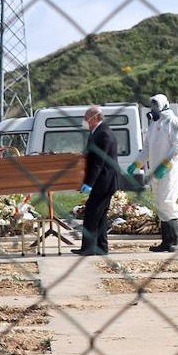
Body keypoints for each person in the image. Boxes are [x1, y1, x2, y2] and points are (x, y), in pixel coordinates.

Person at [132, 94, 178, 253]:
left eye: (156, 105)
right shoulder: (154, 125)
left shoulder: (175, 122)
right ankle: (166, 240)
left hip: (171, 169)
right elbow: (147, 147)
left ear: (164, 105)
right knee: (159, 203)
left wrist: (165, 164)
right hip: (155, 170)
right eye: (152, 105)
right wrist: (137, 162)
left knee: (167, 201)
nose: (153, 108)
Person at [76, 105, 119, 256]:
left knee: (92, 214)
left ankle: (89, 248)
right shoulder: (95, 132)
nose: (84, 120)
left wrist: (89, 183)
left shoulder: (104, 134)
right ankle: (101, 247)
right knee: (99, 215)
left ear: (95, 118)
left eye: (86, 117)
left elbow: (98, 162)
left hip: (104, 181)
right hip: (102, 181)